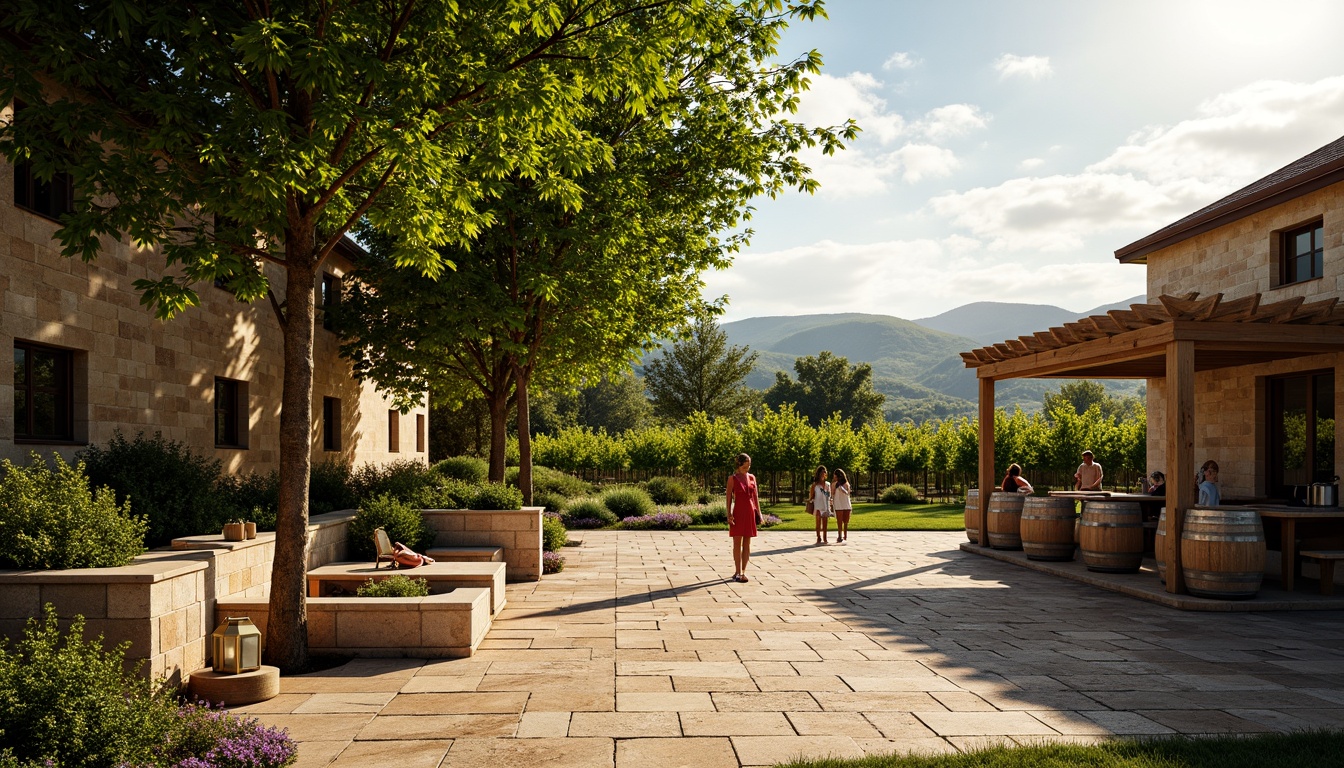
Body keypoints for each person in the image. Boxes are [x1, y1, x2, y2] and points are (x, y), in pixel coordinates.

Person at [726, 452, 763, 583]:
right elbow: (729, 498)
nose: (747, 469)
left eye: (749, 466)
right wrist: (729, 514)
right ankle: (737, 572)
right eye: (744, 467)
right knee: (737, 543)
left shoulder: (752, 477)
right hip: (738, 512)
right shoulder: (732, 478)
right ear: (739, 465)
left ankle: (743, 571)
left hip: (750, 512)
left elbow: (755, 497)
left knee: (747, 542)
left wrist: (759, 513)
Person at [810, 465, 832, 545]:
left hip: (825, 504)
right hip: (818, 504)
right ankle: (818, 537)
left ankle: (825, 538)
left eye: (825, 472)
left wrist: (829, 500)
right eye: (822, 472)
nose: (824, 473)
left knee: (825, 522)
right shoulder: (815, 485)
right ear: (819, 473)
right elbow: (812, 495)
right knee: (818, 521)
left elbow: (829, 495)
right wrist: (811, 500)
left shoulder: (828, 484)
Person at [832, 468, 854, 544]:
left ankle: (845, 535)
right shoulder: (834, 484)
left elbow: (848, 493)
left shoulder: (846, 483)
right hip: (838, 503)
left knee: (846, 521)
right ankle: (839, 536)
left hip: (846, 503)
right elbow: (832, 493)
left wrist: (843, 489)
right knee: (839, 521)